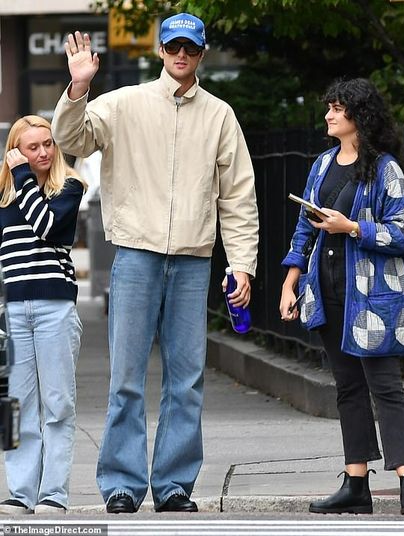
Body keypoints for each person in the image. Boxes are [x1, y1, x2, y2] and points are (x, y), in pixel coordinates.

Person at [51, 12, 259, 514]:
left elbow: (238, 198)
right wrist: (77, 88)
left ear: (202, 53)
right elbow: (71, 140)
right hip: (136, 257)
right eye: (173, 47)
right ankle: (122, 484)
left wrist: (243, 265)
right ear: (160, 51)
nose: (180, 55)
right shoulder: (123, 104)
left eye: (190, 47)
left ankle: (173, 486)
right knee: (126, 376)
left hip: (192, 262)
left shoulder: (220, 116)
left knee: (186, 379)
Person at [280, 78, 404, 516]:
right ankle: (356, 481)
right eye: (328, 108)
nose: (328, 115)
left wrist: (353, 228)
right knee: (347, 388)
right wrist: (290, 282)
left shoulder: (385, 169)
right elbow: (305, 227)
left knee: (385, 386)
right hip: (327, 290)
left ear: (358, 117)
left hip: (371, 297)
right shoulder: (323, 164)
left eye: (337, 109)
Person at [0, 115, 85, 515]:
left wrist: (23, 178)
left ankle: (53, 493)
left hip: (54, 307)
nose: (44, 152)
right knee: (18, 405)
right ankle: (21, 491)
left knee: (58, 404)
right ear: (15, 150)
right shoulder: (3, 198)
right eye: (32, 147)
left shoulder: (68, 188)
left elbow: (47, 226)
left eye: (48, 144)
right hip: (12, 311)